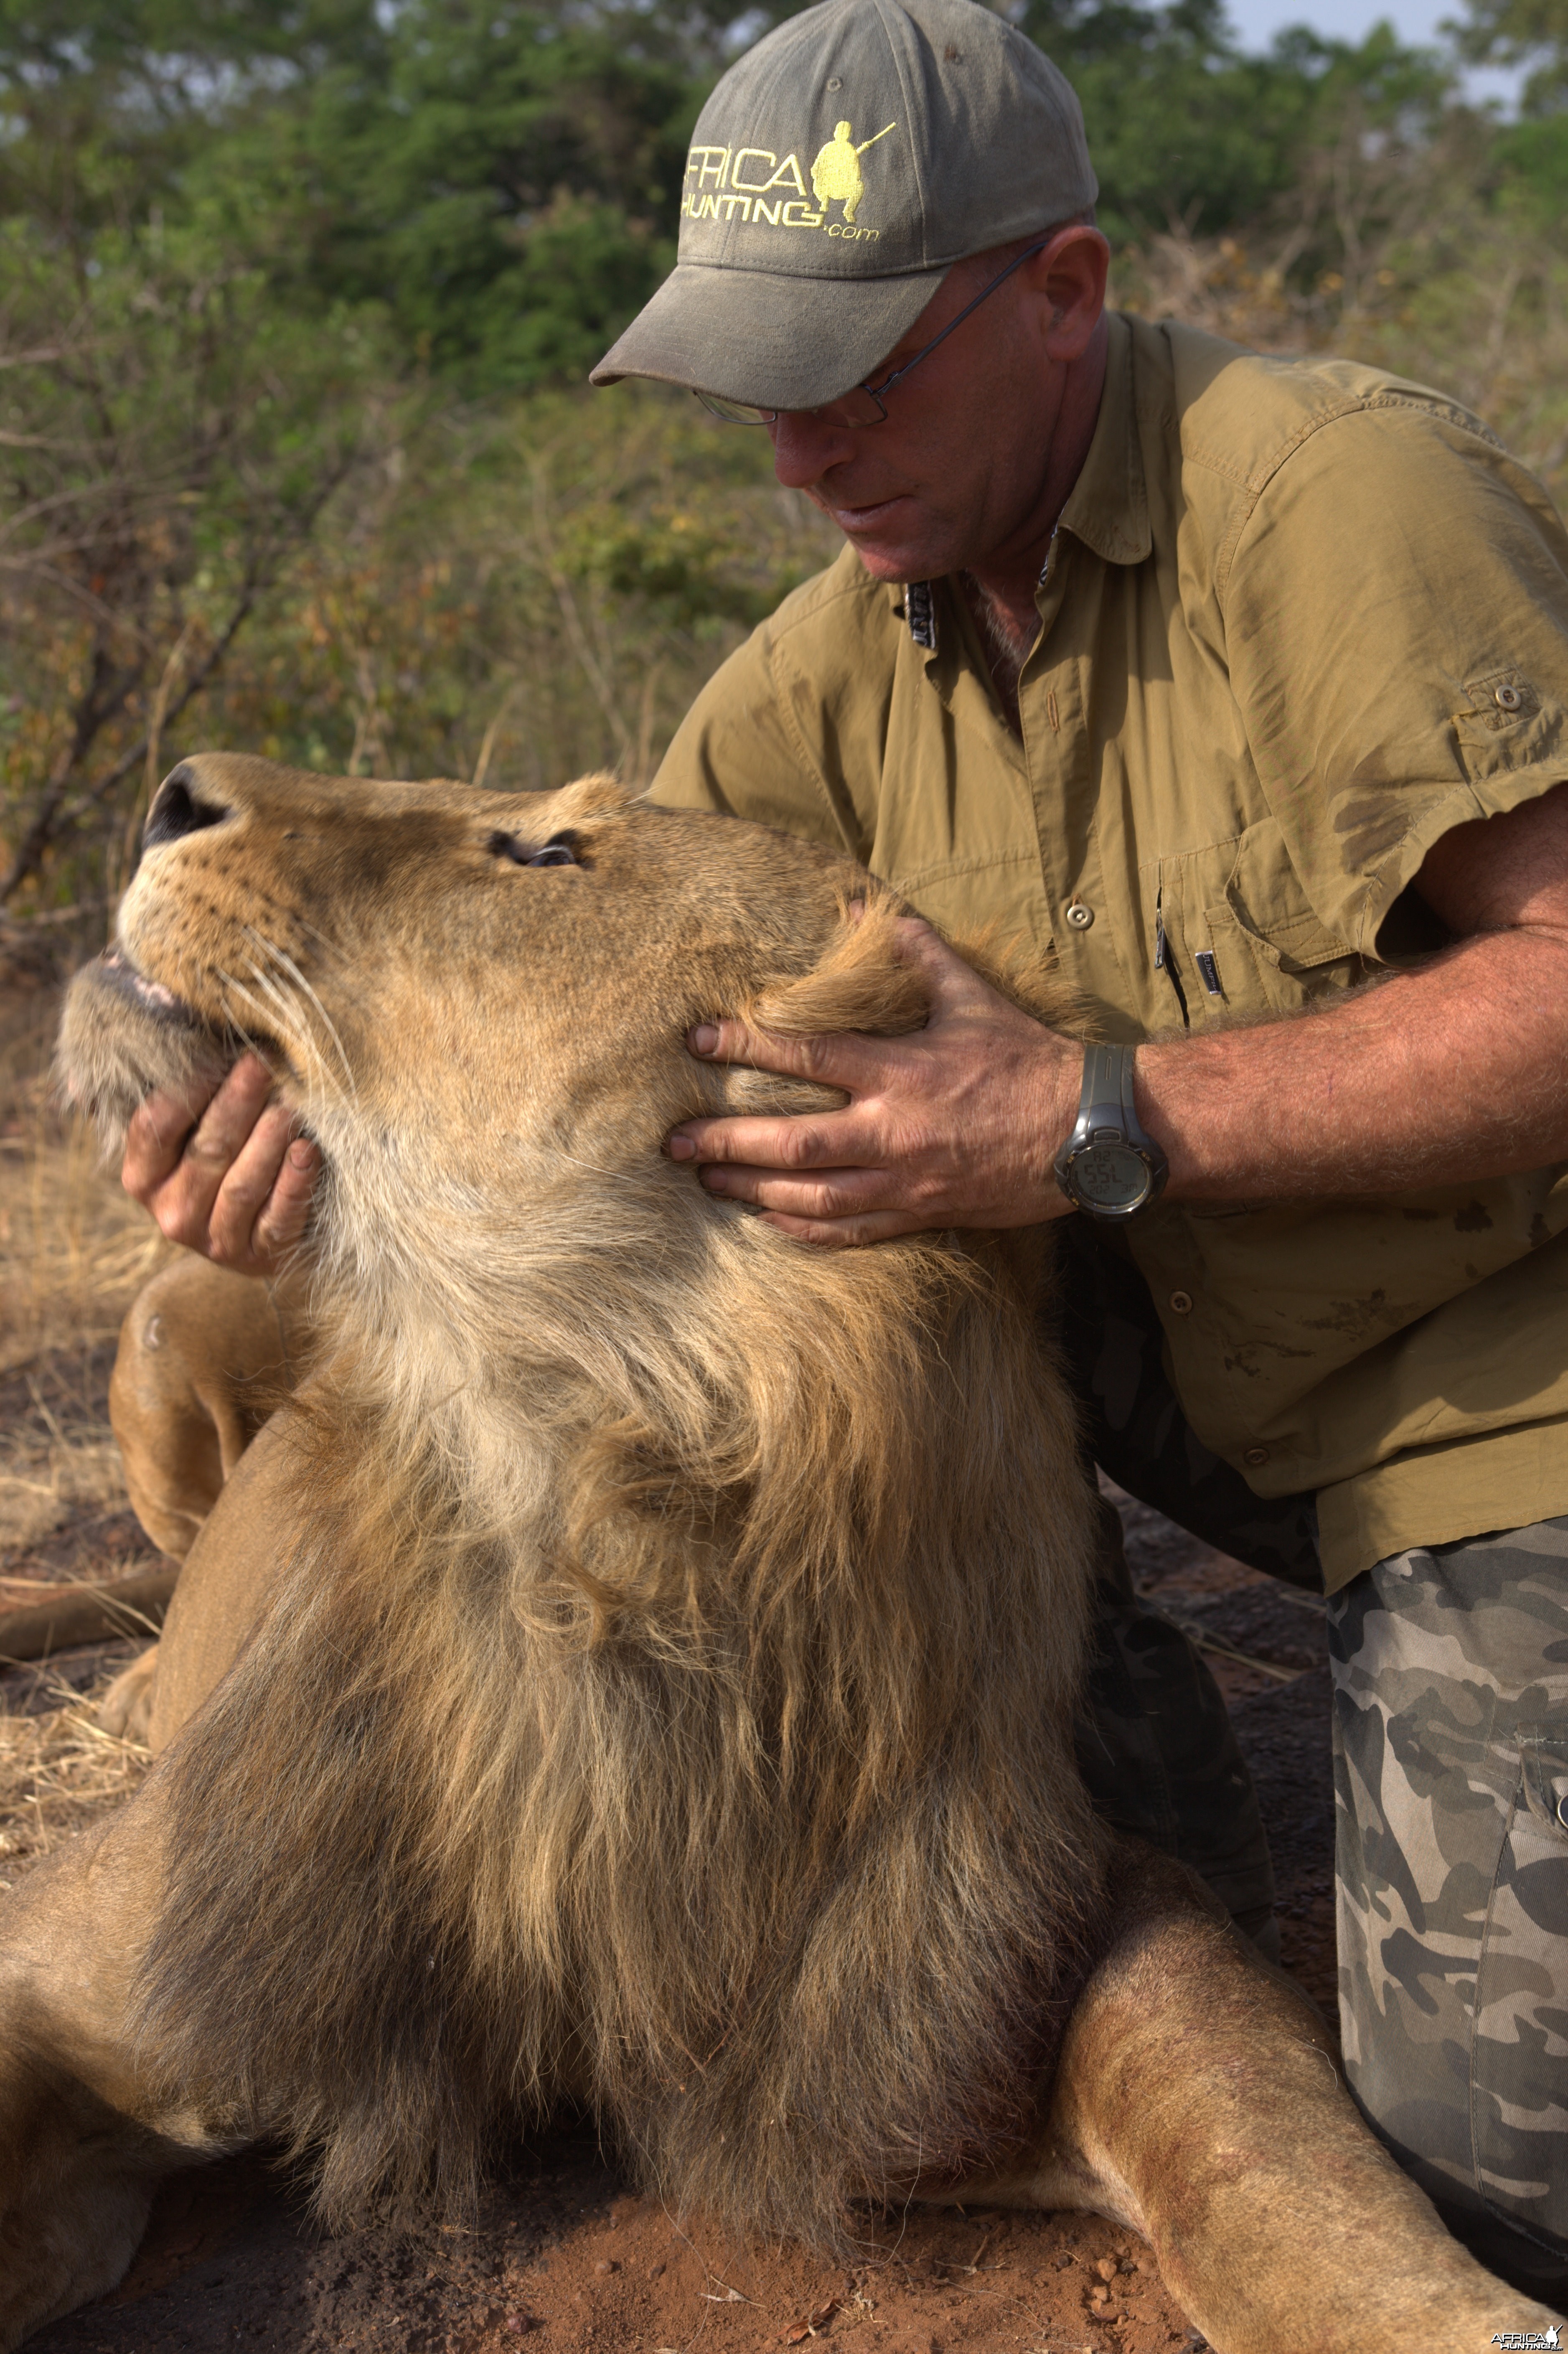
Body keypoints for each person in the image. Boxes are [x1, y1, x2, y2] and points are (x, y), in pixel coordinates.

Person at [116, 0, 1568, 2295]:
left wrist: (1093, 1115)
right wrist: (290, 1107)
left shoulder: (1335, 502)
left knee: (1509, 2161)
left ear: (1069, 290)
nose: (801, 449)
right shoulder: (819, 667)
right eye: (761, 376)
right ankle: (1102, 1677)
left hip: (1493, 1385)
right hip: (1152, 1355)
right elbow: (581, 957)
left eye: (865, 368)